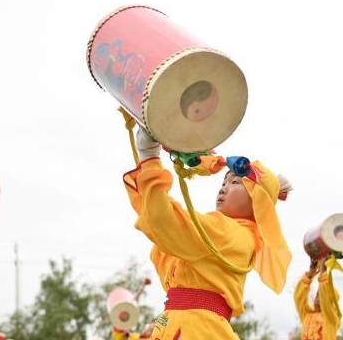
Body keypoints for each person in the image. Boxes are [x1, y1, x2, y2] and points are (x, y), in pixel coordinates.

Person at [122, 126, 293, 339]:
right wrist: (146, 164)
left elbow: (165, 223)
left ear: (258, 202)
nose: (223, 188)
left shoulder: (231, 233)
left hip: (196, 328)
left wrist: (149, 158)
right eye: (224, 182)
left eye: (235, 183)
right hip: (183, 324)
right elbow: (163, 226)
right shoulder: (225, 232)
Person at [294, 255, 342, 340]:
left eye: (321, 296)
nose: (318, 300)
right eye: (317, 295)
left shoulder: (331, 318)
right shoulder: (307, 315)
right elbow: (299, 297)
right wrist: (310, 273)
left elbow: (327, 299)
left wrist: (323, 271)